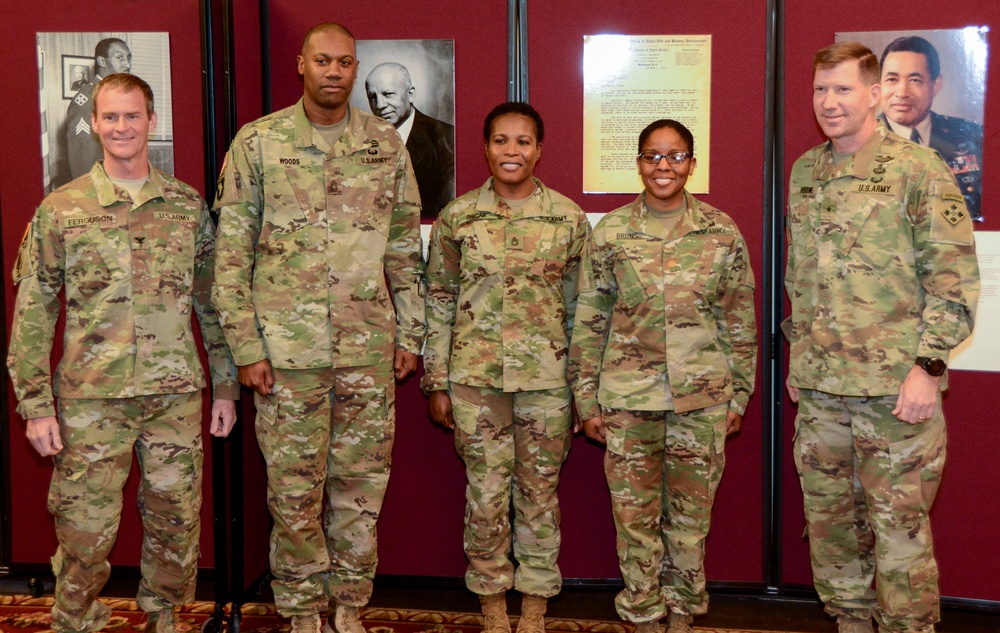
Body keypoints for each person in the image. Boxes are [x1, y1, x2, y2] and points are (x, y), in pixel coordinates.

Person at [7, 73, 239, 633]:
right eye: (110, 117)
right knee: (84, 530)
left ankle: (164, 618)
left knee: (175, 522)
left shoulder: (186, 207)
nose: (121, 127)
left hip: (173, 397)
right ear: (94, 124)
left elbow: (213, 303)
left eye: (132, 116)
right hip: (92, 399)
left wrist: (225, 385)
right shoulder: (62, 209)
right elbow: (35, 310)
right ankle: (75, 619)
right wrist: (35, 403)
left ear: (151, 122)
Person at [212, 22, 424, 633]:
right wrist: (247, 348)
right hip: (286, 357)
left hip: (366, 353)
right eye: (322, 61)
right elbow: (232, 258)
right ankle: (304, 611)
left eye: (344, 63)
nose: (333, 72)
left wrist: (410, 336)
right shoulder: (258, 144)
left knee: (361, 493)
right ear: (301, 66)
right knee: (295, 494)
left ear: (356, 69)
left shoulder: (384, 144)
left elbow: (405, 250)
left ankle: (351, 607)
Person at [785, 42, 979, 633]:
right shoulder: (806, 171)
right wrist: (798, 360)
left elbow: (953, 280)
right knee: (831, 526)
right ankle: (849, 623)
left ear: (874, 93)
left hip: (896, 392)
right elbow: (801, 277)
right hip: (821, 391)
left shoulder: (918, 169)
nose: (829, 102)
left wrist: (929, 366)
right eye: (821, 89)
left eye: (843, 89)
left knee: (899, 535)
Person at [568, 119, 756, 633]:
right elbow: (589, 320)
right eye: (653, 156)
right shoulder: (610, 233)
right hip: (628, 401)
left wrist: (739, 395)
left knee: (691, 523)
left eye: (675, 157)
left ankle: (682, 614)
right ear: (638, 163)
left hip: (702, 400)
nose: (663, 167)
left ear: (692, 163)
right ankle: (644, 614)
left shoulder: (721, 232)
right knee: (635, 521)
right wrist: (586, 403)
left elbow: (738, 319)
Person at [423, 102, 590, 633]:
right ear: (486, 147)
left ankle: (536, 604)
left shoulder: (567, 219)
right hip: (476, 383)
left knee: (539, 495)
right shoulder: (459, 217)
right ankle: (493, 603)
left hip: (547, 382)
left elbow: (584, 308)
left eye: (523, 141)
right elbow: (441, 299)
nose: (511, 151)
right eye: (501, 140)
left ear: (539, 149)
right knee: (487, 494)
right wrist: (436, 380)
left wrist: (582, 388)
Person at [878, 36, 983, 220]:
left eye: (915, 80)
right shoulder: (857, 141)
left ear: (936, 85)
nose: (902, 93)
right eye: (892, 79)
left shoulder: (971, 136)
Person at [365, 62, 456, 219]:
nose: (379, 105)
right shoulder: (359, 140)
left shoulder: (446, 139)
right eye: (372, 97)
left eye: (388, 94)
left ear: (411, 94)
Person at [64, 38, 133, 186]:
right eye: (119, 57)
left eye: (128, 58)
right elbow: (83, 155)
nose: (127, 64)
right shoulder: (90, 99)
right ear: (102, 61)